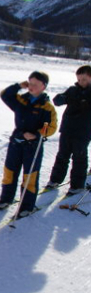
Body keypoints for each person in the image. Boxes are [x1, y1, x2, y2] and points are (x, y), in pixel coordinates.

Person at [0, 71, 57, 217]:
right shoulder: (21, 100)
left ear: (43, 87)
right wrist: (18, 86)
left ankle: (27, 206)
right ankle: (5, 199)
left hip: (33, 146)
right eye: (30, 83)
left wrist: (38, 134)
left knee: (30, 177)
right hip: (16, 141)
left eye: (35, 84)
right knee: (9, 172)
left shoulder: (47, 107)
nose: (31, 86)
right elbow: (5, 95)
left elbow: (50, 127)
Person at [45, 65, 91, 195]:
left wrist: (85, 103)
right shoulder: (72, 90)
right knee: (62, 155)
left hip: (83, 131)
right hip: (67, 129)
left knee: (79, 157)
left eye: (85, 79)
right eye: (79, 79)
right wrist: (63, 98)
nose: (81, 82)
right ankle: (55, 180)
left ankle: (77, 185)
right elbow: (58, 100)